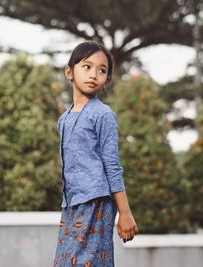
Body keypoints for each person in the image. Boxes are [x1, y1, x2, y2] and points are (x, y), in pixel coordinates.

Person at [53, 41, 138, 267]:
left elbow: (112, 165)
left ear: (106, 80)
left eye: (102, 70)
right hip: (71, 205)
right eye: (87, 67)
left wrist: (125, 214)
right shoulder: (64, 119)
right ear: (69, 72)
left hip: (96, 202)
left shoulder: (103, 115)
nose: (94, 74)